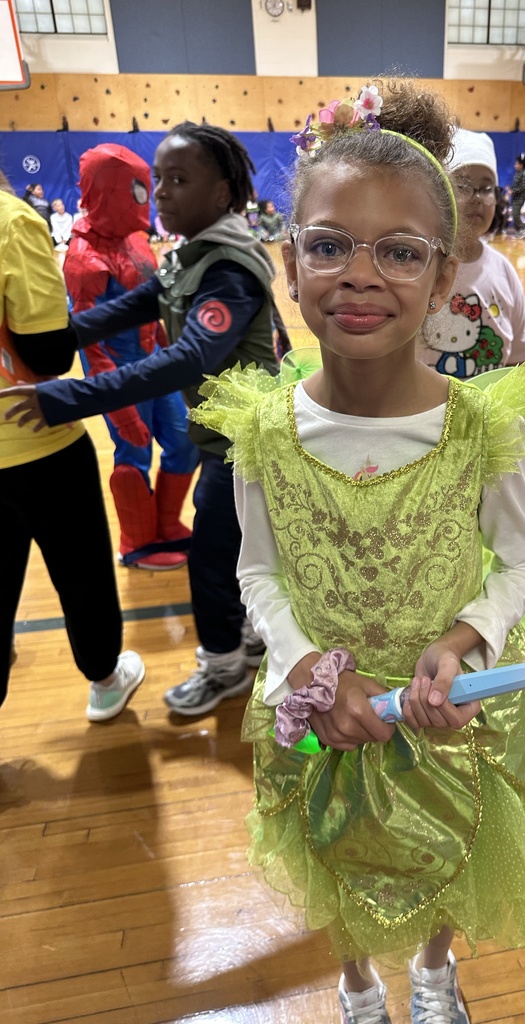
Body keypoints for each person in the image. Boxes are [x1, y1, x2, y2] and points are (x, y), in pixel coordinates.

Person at [191, 79, 525, 1024]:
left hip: (454, 708)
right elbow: (257, 570)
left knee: (457, 846)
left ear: (445, 278)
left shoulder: (479, 428)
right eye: (329, 246)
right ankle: (359, 977)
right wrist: (306, 667)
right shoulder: (266, 429)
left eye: (400, 253)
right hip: (329, 704)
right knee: (339, 846)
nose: (360, 276)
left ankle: (436, 969)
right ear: (290, 262)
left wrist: (466, 639)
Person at [3, 121, 280, 715]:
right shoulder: (191, 256)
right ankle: (253, 640)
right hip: (224, 439)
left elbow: (185, 361)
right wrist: (43, 337)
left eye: (179, 180)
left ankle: (223, 664)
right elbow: (128, 307)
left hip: (248, 447)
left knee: (211, 558)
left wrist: (64, 397)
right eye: (157, 180)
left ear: (225, 194)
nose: (161, 193)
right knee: (240, 550)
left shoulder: (229, 270)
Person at [0, 170, 144, 721]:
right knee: (81, 569)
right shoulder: (13, 220)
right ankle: (105, 676)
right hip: (32, 434)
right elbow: (47, 350)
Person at [65, 143, 199, 571]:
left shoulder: (136, 243)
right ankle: (137, 543)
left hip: (156, 367)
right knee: (133, 452)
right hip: (120, 376)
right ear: (112, 189)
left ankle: (166, 525)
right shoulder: (85, 259)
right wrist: (119, 409)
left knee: (183, 442)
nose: (150, 197)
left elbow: (152, 307)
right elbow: (90, 342)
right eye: (140, 189)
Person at [421, 127, 525, 379]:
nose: (477, 198)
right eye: (462, 185)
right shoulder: (421, 266)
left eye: (486, 188)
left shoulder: (503, 270)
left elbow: (519, 360)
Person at [509, 154, 525, 238]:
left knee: (516, 214)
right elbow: (515, 185)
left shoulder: (524, 174)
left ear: (521, 165)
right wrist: (510, 188)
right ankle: (519, 231)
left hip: (520, 199)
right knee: (514, 214)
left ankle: (523, 228)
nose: (515, 165)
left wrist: (513, 191)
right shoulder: (517, 174)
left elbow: (523, 187)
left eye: (516, 164)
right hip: (514, 198)